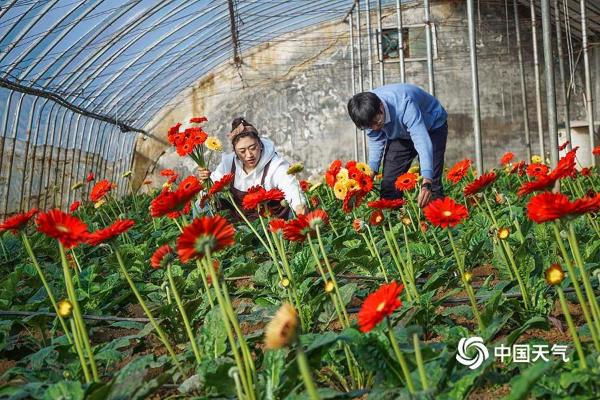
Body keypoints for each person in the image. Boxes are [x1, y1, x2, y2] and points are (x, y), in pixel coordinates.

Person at [347, 83, 448, 208]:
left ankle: (438, 222)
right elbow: (376, 139)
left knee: (431, 187)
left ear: (381, 107)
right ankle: (393, 223)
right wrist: (371, 172)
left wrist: (427, 180)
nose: (374, 128)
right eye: (369, 126)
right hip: (400, 134)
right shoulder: (366, 113)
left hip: (431, 127)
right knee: (389, 184)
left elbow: (421, 140)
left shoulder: (404, 104)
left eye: (375, 122)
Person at [197, 117, 306, 219]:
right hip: (241, 223)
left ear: (260, 144)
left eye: (253, 148)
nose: (249, 155)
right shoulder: (229, 163)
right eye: (242, 151)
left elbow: (290, 187)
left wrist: (298, 206)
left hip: (272, 223)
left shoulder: (275, 165)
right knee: (200, 205)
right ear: (235, 151)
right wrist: (206, 181)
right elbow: (211, 188)